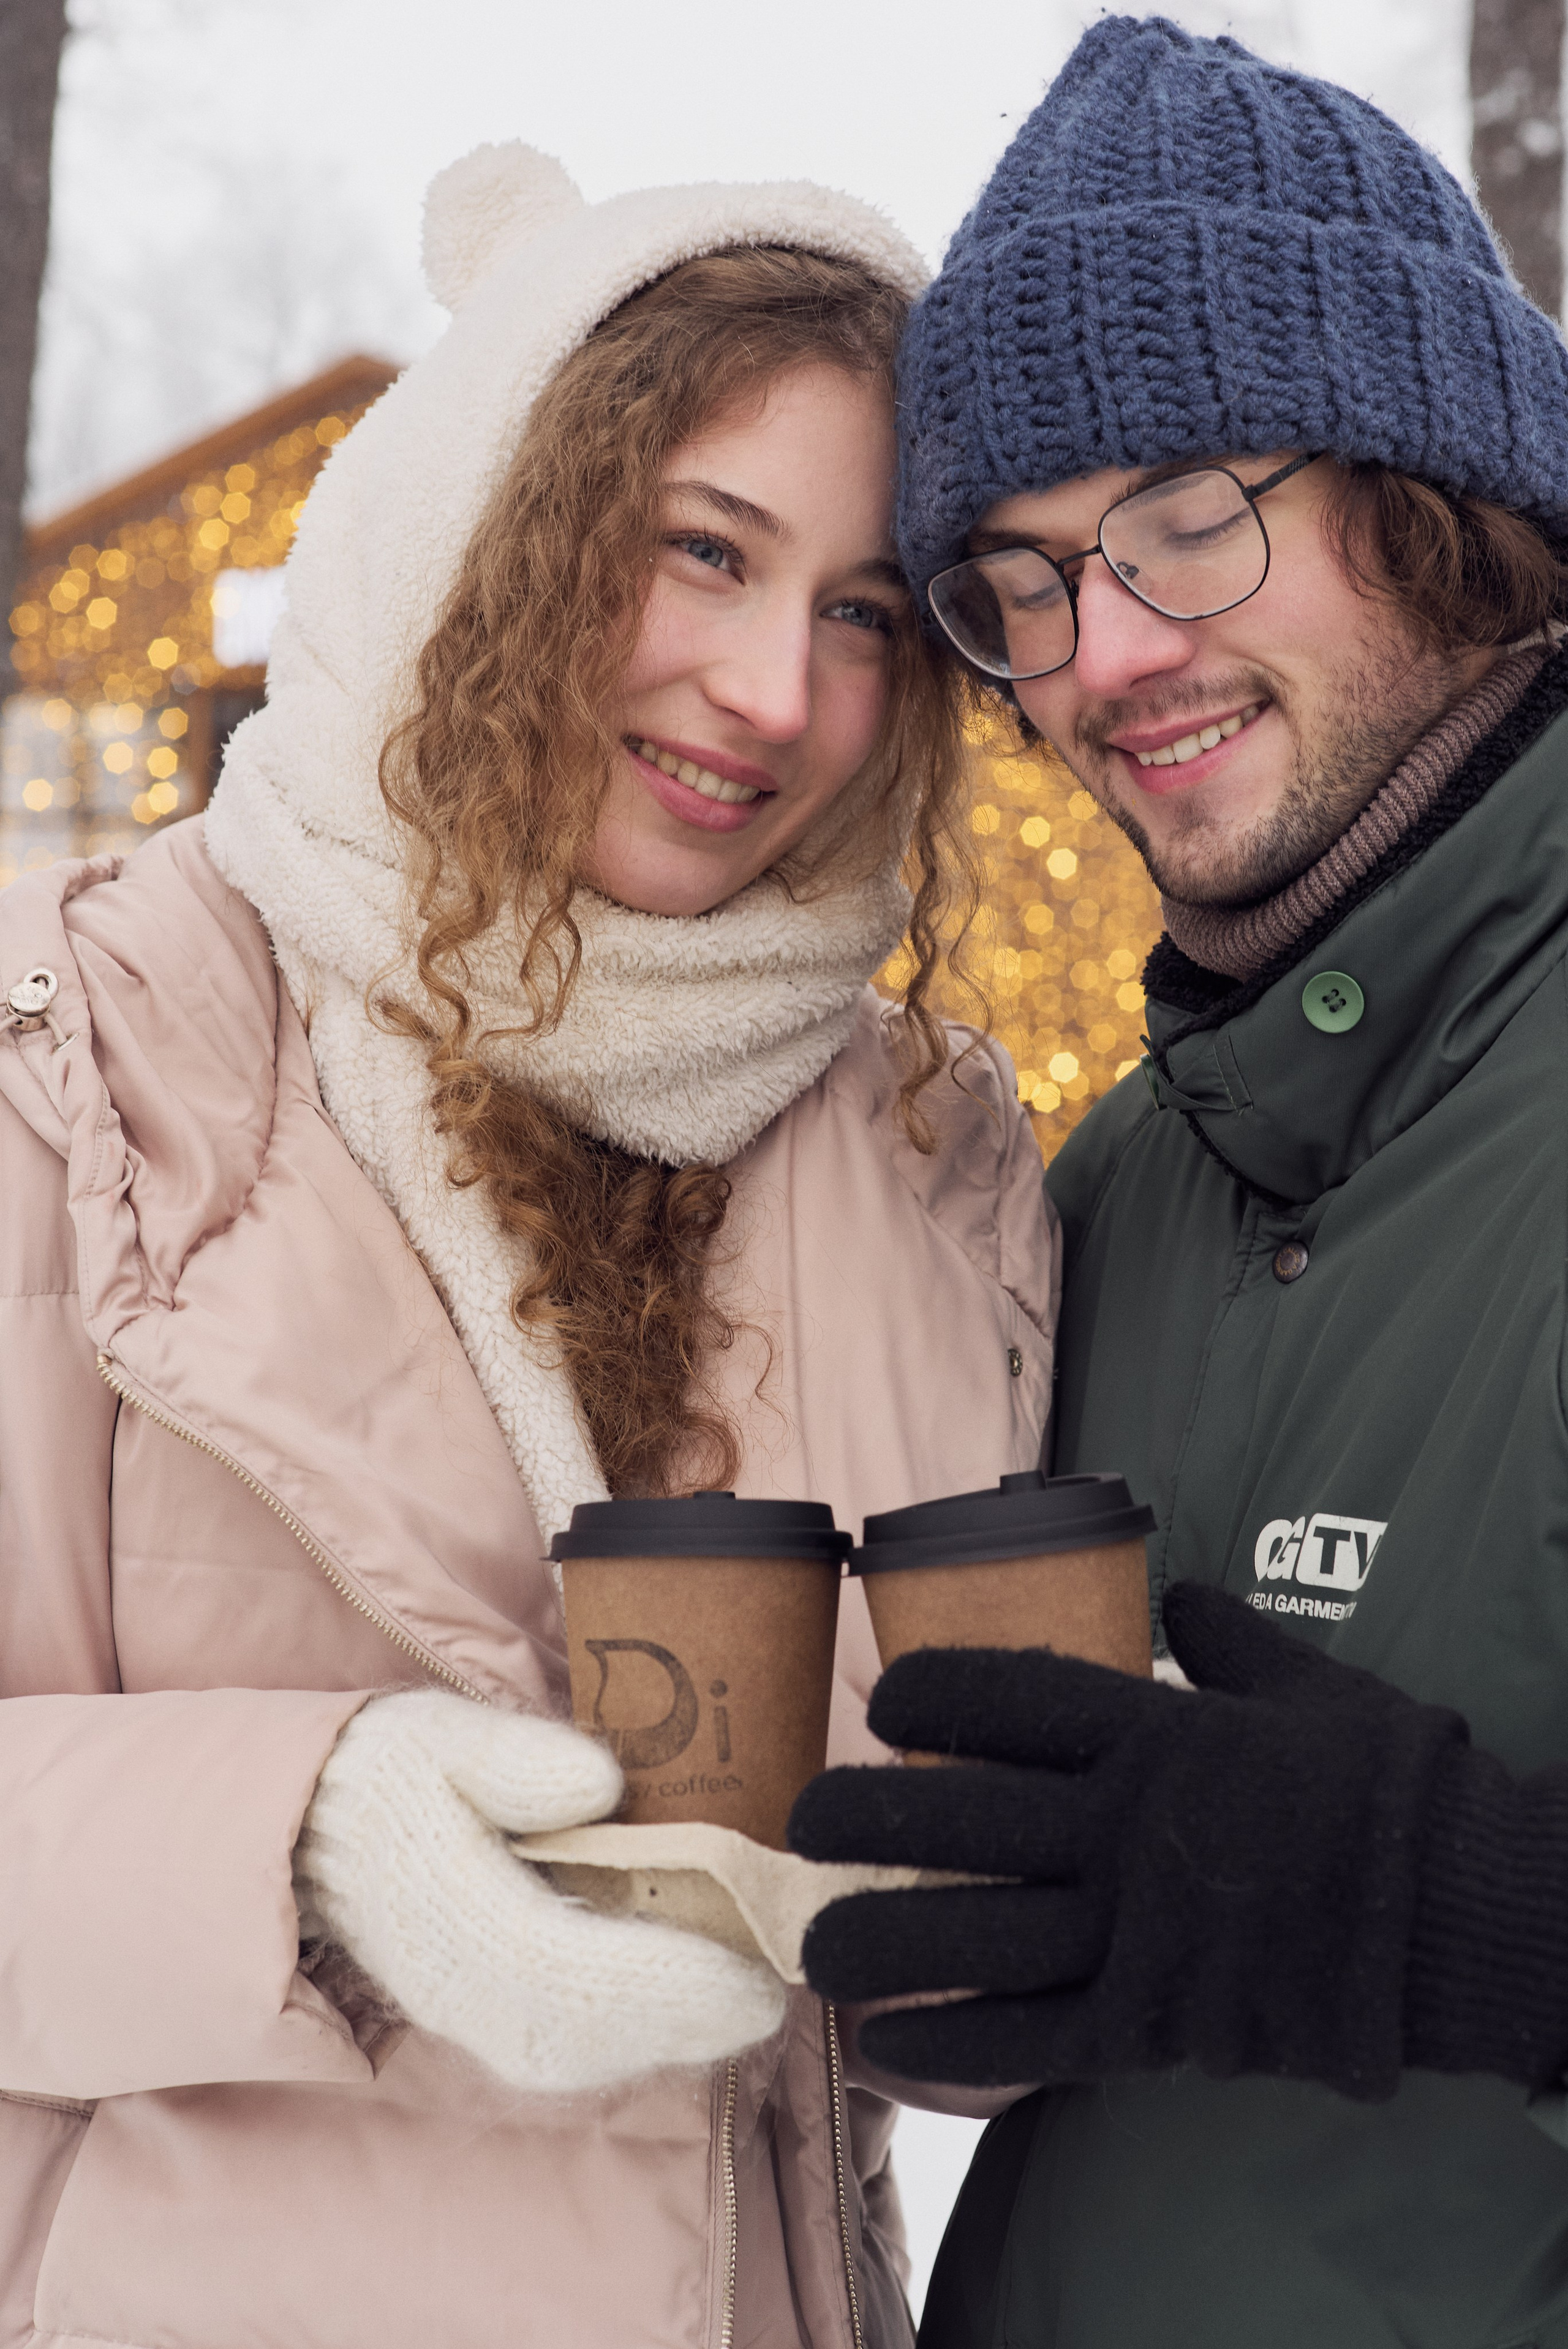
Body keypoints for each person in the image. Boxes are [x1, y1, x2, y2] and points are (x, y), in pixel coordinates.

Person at [0, 143, 1058, 2348]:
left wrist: (1051, 1902)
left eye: (861, 611)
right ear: (484, 524)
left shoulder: (933, 1147)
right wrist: (306, 1835)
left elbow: (924, 1929)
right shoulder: (74, 1056)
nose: (773, 691)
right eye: (702, 550)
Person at [790, 18, 1568, 2348]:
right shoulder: (1109, 1187)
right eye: (1015, 583)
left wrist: (1422, 1902)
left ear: (1443, 495)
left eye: (1188, 517)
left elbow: (1339, 1900)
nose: (1100, 654)